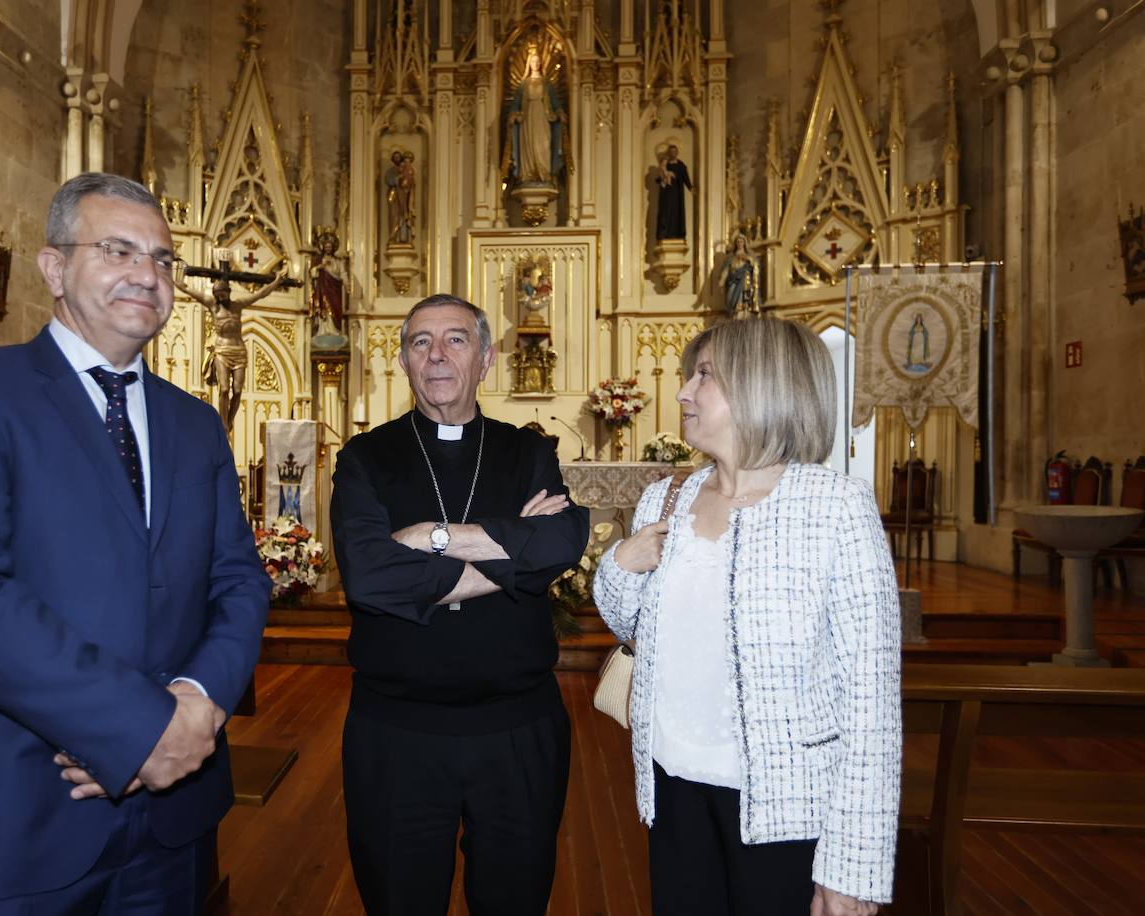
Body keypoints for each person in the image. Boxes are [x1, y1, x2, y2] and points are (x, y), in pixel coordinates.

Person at [0, 172, 273, 914]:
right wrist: (140, 728)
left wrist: (196, 703)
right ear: (54, 266)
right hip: (16, 812)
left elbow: (240, 581)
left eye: (162, 260)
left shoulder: (194, 423)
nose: (146, 275)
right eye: (118, 250)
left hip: (171, 821)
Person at [592, 316, 900, 916]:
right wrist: (622, 565)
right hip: (671, 787)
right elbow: (624, 623)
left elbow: (873, 704)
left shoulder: (835, 508)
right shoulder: (667, 497)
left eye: (704, 376)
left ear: (764, 386)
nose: (683, 391)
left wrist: (853, 868)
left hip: (785, 807)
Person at [330, 294, 590, 915]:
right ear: (402, 361)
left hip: (517, 728)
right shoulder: (366, 457)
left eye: (455, 340)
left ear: (486, 359)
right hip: (396, 733)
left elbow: (559, 540)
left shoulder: (527, 452)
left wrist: (430, 539)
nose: (438, 356)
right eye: (421, 342)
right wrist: (513, 559)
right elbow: (367, 575)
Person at [174, 265, 286, 434]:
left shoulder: (238, 305)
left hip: (239, 351)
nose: (219, 297)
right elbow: (186, 289)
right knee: (224, 389)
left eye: (222, 294)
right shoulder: (213, 305)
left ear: (228, 292)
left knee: (238, 390)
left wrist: (277, 281)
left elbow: (260, 294)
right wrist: (179, 278)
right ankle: (223, 423)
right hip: (222, 350)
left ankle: (229, 421)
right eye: (217, 294)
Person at [504, 46, 566, 186]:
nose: (536, 64)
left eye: (538, 61)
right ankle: (528, 174)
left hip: (543, 118)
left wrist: (560, 112)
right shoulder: (523, 85)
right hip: (527, 119)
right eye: (533, 61)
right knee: (529, 147)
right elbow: (516, 104)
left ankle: (544, 174)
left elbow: (555, 102)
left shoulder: (546, 84)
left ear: (541, 64)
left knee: (543, 145)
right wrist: (512, 115)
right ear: (529, 64)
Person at [654, 144, 693, 240]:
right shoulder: (665, 165)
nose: (673, 153)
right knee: (666, 213)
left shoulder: (681, 165)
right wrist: (662, 178)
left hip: (677, 195)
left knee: (676, 213)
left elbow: (685, 178)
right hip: (667, 194)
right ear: (669, 153)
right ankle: (665, 233)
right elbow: (659, 178)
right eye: (671, 152)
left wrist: (690, 187)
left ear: (677, 153)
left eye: (675, 152)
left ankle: (676, 234)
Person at [718, 233, 758, 316]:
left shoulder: (748, 256)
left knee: (742, 301)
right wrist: (721, 282)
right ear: (735, 244)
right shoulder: (731, 257)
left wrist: (749, 261)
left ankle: (740, 311)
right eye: (738, 242)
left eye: (741, 242)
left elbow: (754, 268)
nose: (740, 243)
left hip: (743, 281)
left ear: (744, 243)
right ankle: (732, 312)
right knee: (729, 298)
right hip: (732, 280)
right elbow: (726, 270)